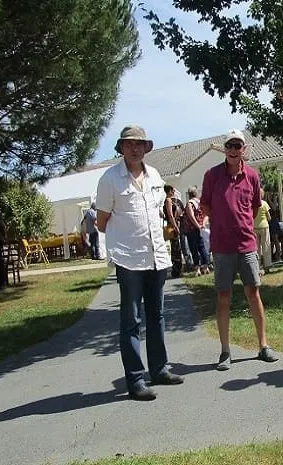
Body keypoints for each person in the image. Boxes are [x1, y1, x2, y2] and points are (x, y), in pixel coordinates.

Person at [95, 125, 184, 401]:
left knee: (157, 316)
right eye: (129, 143)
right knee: (131, 320)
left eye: (140, 144)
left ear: (146, 148)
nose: (135, 148)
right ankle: (135, 380)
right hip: (129, 259)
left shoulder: (155, 175)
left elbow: (157, 211)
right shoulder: (110, 179)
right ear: (121, 148)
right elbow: (101, 222)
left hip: (156, 255)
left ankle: (159, 369)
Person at [200, 129, 278, 371]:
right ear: (225, 149)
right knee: (224, 297)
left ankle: (263, 345)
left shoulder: (252, 176)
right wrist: (223, 222)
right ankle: (225, 351)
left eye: (238, 146)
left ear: (244, 149)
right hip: (222, 247)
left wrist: (240, 224)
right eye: (230, 146)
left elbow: (255, 207)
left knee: (253, 293)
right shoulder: (212, 175)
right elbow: (204, 205)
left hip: (246, 245)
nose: (234, 150)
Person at [182, 186, 211, 276]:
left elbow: (191, 216)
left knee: (193, 248)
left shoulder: (190, 203)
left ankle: (197, 269)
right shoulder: (200, 202)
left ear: (189, 194)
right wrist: (202, 224)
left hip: (191, 229)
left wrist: (197, 225)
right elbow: (206, 214)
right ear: (196, 193)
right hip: (201, 228)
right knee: (202, 247)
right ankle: (206, 267)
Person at [163, 185, 184, 278]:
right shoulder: (169, 200)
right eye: (173, 189)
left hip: (176, 224)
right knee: (175, 247)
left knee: (177, 247)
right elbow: (170, 215)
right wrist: (175, 226)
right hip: (174, 225)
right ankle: (176, 269)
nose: (174, 191)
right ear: (169, 191)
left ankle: (178, 269)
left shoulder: (174, 200)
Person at [254, 188, 272, 274]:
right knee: (266, 246)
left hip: (254, 227)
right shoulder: (264, 204)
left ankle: (257, 266)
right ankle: (267, 266)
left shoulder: (252, 204)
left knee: (256, 248)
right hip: (264, 226)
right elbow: (269, 217)